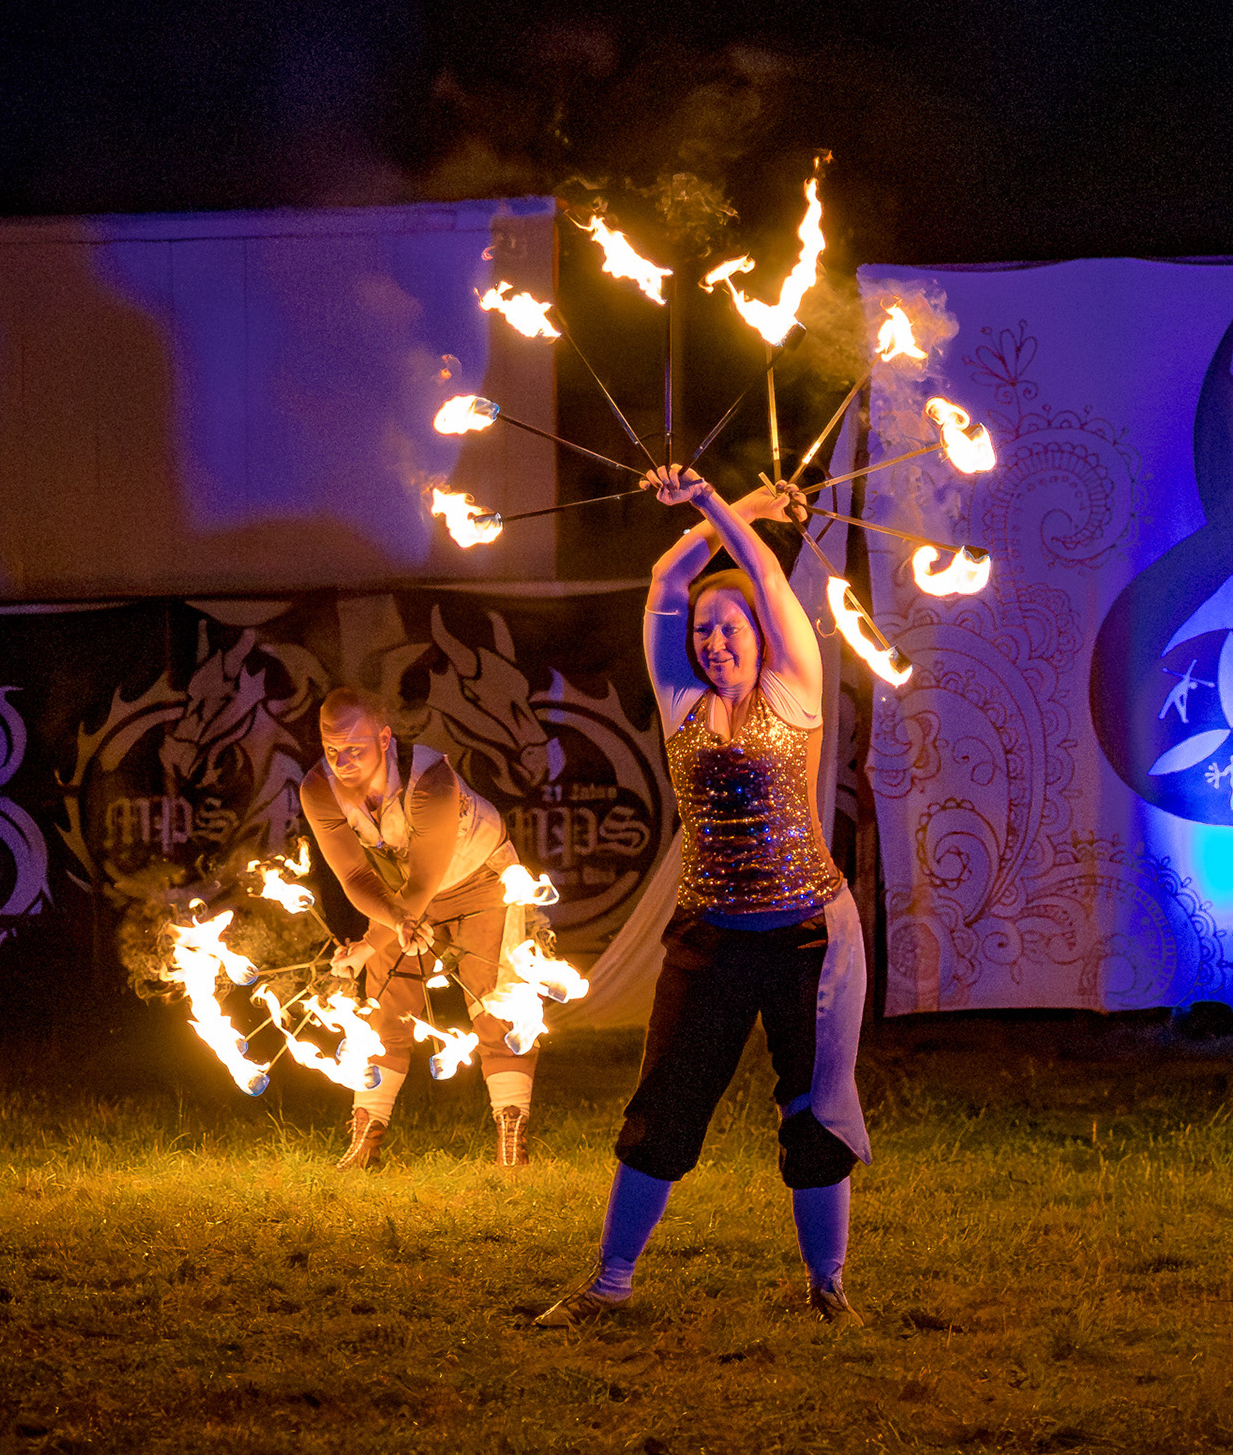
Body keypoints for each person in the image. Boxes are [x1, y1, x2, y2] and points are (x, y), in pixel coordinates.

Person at [535, 465, 871, 1327]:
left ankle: (828, 1290)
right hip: (710, 939)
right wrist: (739, 506)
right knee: (666, 1107)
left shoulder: (794, 691)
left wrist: (728, 511)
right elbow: (666, 581)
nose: (716, 642)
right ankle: (610, 1284)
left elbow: (762, 575)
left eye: (732, 630)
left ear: (765, 637)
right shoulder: (680, 700)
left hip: (808, 939)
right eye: (707, 632)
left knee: (814, 1113)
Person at [300, 687, 536, 1170]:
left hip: (481, 881)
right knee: (384, 1004)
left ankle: (511, 1136)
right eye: (331, 750)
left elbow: (425, 882)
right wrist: (387, 930)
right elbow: (354, 876)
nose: (342, 761)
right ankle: (365, 1138)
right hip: (400, 895)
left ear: (385, 738)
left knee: (495, 1002)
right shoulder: (318, 789)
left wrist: (370, 943)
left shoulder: (430, 781)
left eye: (356, 748)